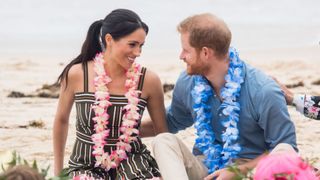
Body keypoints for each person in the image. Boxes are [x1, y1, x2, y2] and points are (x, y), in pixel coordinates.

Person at [146, 13, 298, 180]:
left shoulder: (263, 91)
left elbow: (286, 149)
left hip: (249, 172)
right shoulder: (188, 81)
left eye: (186, 50)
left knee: (284, 150)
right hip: (205, 168)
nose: (181, 56)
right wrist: (120, 129)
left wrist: (237, 171)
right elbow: (171, 121)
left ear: (205, 53)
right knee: (163, 141)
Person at [53, 9, 168, 179]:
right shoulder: (78, 74)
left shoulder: (149, 80)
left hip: (133, 162)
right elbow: (61, 120)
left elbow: (162, 134)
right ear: (109, 40)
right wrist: (58, 172)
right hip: (85, 163)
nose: (138, 53)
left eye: (141, 46)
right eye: (132, 44)